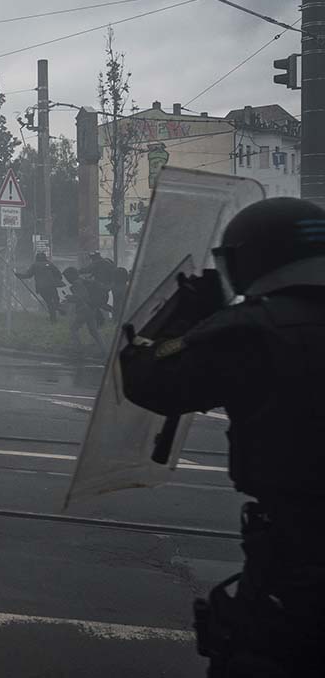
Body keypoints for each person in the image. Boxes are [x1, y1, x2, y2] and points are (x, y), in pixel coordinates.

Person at [119, 197, 325, 677]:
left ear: (250, 260)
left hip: (299, 558)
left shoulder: (252, 330)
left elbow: (150, 376)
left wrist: (188, 312)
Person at [62, 267, 106, 357]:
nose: (67, 279)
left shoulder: (77, 283)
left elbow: (82, 296)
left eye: (67, 277)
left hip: (84, 309)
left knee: (73, 328)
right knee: (94, 331)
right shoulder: (84, 281)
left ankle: (78, 349)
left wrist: (70, 298)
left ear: (72, 275)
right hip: (91, 308)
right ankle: (104, 350)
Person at [16, 252, 63, 323]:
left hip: (42, 288)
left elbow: (28, 275)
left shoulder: (34, 265)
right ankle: (57, 308)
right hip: (51, 286)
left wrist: (19, 275)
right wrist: (56, 280)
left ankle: (53, 318)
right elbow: (59, 274)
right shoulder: (50, 264)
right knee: (56, 300)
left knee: (49, 302)